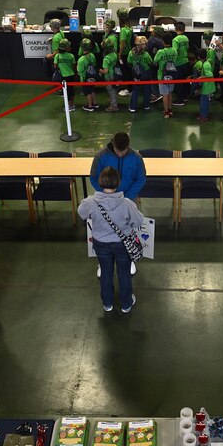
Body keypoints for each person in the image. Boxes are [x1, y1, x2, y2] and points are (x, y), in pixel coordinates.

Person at [78, 167, 143, 313]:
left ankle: (107, 303)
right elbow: (138, 221)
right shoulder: (127, 203)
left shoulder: (90, 202)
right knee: (124, 273)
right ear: (118, 183)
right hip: (122, 244)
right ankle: (126, 304)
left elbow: (81, 213)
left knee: (106, 272)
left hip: (100, 243)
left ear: (100, 182)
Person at [89, 132, 147, 204]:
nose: (120, 154)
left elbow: (141, 179)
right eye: (118, 151)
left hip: (129, 199)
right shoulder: (100, 156)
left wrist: (127, 196)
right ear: (113, 144)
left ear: (128, 146)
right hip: (106, 198)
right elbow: (94, 178)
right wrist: (106, 193)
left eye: (123, 151)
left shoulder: (136, 157)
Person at [153, 32, 178, 118]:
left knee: (165, 94)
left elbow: (155, 61)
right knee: (170, 93)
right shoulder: (174, 50)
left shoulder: (161, 52)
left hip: (162, 75)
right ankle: (170, 110)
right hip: (172, 75)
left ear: (163, 41)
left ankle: (166, 112)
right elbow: (175, 61)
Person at [127, 35, 152, 112]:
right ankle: (146, 105)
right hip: (146, 73)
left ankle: (133, 107)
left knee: (135, 90)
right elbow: (150, 62)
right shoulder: (146, 54)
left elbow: (129, 63)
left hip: (136, 74)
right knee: (147, 90)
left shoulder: (131, 53)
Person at [54, 38, 77, 111]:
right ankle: (72, 104)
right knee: (71, 90)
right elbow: (74, 66)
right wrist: (75, 74)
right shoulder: (71, 56)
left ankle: (69, 106)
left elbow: (55, 66)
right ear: (67, 48)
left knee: (66, 92)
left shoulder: (57, 56)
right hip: (71, 75)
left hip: (63, 76)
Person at [171, 21, 191, 105]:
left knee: (178, 82)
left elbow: (175, 52)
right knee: (185, 81)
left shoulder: (175, 40)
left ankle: (179, 100)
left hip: (178, 63)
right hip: (186, 61)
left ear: (176, 29)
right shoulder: (186, 38)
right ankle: (185, 97)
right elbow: (187, 48)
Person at [77, 38, 98, 112]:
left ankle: (90, 106)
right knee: (92, 90)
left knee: (88, 92)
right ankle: (95, 103)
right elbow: (95, 64)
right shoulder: (92, 55)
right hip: (92, 77)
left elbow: (79, 70)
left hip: (84, 78)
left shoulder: (81, 59)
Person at [99, 39, 120, 112]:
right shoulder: (114, 54)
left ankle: (114, 106)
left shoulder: (106, 59)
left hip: (109, 77)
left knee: (111, 90)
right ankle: (113, 100)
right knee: (114, 89)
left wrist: (100, 70)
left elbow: (105, 71)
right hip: (115, 75)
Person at [116, 8, 133, 96]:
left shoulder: (123, 30)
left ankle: (129, 89)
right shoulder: (129, 27)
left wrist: (119, 54)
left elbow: (122, 43)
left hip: (124, 54)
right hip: (129, 52)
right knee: (129, 71)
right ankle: (130, 88)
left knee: (126, 72)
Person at [197, 47, 215, 122]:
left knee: (204, 102)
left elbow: (210, 75)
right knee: (204, 102)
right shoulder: (206, 63)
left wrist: (201, 77)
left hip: (207, 87)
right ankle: (203, 115)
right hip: (207, 86)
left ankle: (204, 116)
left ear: (198, 57)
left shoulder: (205, 65)